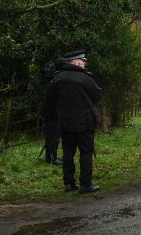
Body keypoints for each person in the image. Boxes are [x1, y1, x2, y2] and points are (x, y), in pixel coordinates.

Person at [46, 49, 102, 194]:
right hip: (85, 122)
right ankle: (85, 184)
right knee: (86, 153)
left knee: (68, 153)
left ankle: (69, 183)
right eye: (83, 62)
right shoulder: (85, 78)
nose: (85, 64)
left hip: (65, 123)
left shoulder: (57, 78)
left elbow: (50, 100)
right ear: (76, 62)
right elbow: (97, 95)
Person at [41, 58, 66, 166]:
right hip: (53, 111)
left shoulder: (53, 77)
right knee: (53, 135)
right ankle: (52, 158)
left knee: (51, 134)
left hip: (49, 110)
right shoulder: (57, 78)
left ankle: (50, 156)